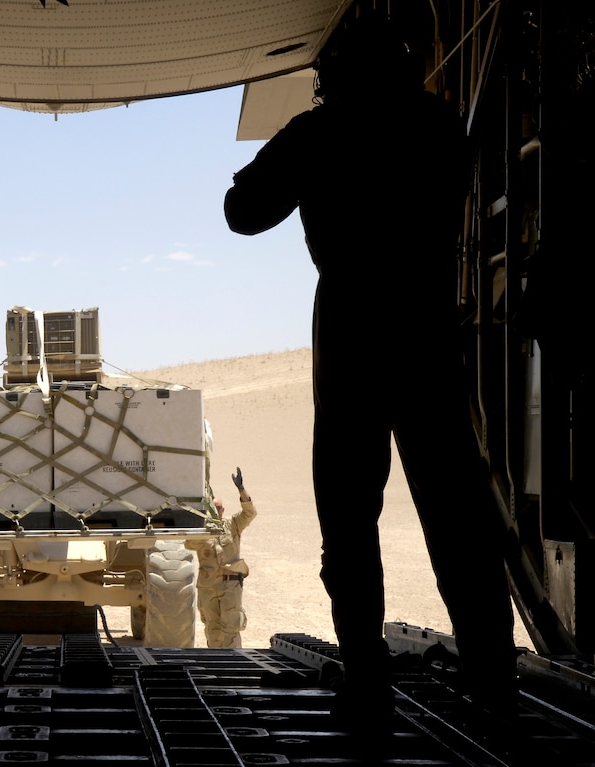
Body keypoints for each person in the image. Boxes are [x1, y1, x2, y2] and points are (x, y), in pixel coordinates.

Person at [222, 14, 517, 731]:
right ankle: (494, 682)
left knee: (350, 518)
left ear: (336, 80)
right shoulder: (439, 127)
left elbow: (242, 212)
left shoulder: (320, 133)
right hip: (425, 324)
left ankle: (367, 682)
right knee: (457, 512)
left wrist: (305, 145)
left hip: (351, 329)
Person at [188, 468, 257, 648]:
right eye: (212, 508)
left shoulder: (232, 524)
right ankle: (215, 660)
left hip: (230, 585)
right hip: (208, 587)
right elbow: (190, 544)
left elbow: (249, 513)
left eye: (218, 508)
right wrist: (202, 528)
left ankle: (234, 661)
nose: (215, 511)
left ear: (222, 509)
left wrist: (241, 489)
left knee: (231, 627)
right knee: (212, 628)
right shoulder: (200, 530)